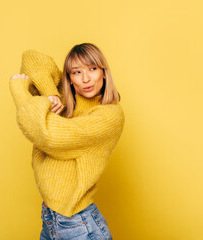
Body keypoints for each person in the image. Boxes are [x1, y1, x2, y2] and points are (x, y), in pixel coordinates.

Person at [9, 43, 125, 240]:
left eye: (93, 69)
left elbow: (49, 137)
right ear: (70, 78)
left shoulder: (109, 116)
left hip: (78, 224)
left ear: (104, 73)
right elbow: (31, 57)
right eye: (76, 72)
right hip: (51, 220)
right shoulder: (66, 100)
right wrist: (51, 95)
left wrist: (20, 94)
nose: (86, 78)